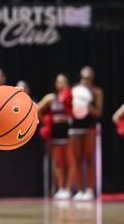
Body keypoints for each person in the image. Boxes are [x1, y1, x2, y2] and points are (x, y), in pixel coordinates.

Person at [68, 66, 103, 201]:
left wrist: (87, 107)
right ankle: (80, 190)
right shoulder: (73, 90)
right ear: (80, 74)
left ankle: (89, 190)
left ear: (93, 75)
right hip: (74, 128)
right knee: (76, 160)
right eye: (85, 71)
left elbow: (99, 112)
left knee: (88, 159)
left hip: (89, 127)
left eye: (90, 71)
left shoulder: (96, 91)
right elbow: (67, 108)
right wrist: (74, 108)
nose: (87, 73)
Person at [38, 74, 74, 199]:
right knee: (58, 162)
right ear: (55, 84)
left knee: (70, 161)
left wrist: (67, 118)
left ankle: (68, 189)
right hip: (56, 133)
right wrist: (47, 121)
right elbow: (37, 109)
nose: (61, 84)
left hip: (69, 133)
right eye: (59, 82)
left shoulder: (73, 97)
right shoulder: (52, 98)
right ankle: (61, 188)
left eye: (64, 81)